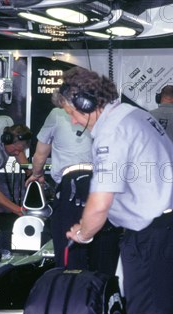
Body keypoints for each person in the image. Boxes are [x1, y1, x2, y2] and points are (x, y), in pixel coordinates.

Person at [60, 66, 173, 314]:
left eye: (72, 113)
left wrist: (83, 232)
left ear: (89, 104)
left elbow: (100, 204)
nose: (74, 121)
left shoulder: (111, 131)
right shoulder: (132, 115)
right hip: (165, 226)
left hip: (153, 232)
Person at [25, 107, 120, 275]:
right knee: (104, 249)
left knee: (70, 248)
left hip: (73, 185)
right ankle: (103, 294)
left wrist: (37, 174)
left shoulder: (56, 114)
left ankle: (73, 291)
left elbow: (40, 155)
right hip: (103, 185)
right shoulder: (103, 114)